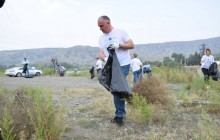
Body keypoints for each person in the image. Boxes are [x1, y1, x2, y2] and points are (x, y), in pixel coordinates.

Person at [98, 15, 134, 125]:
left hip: (123, 64)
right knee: (116, 90)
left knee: (117, 88)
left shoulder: (120, 31)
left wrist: (119, 45)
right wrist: (105, 59)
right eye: (98, 26)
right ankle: (128, 98)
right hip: (112, 66)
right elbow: (101, 53)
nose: (100, 28)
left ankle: (120, 116)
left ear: (108, 23)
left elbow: (132, 45)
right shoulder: (101, 38)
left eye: (101, 25)